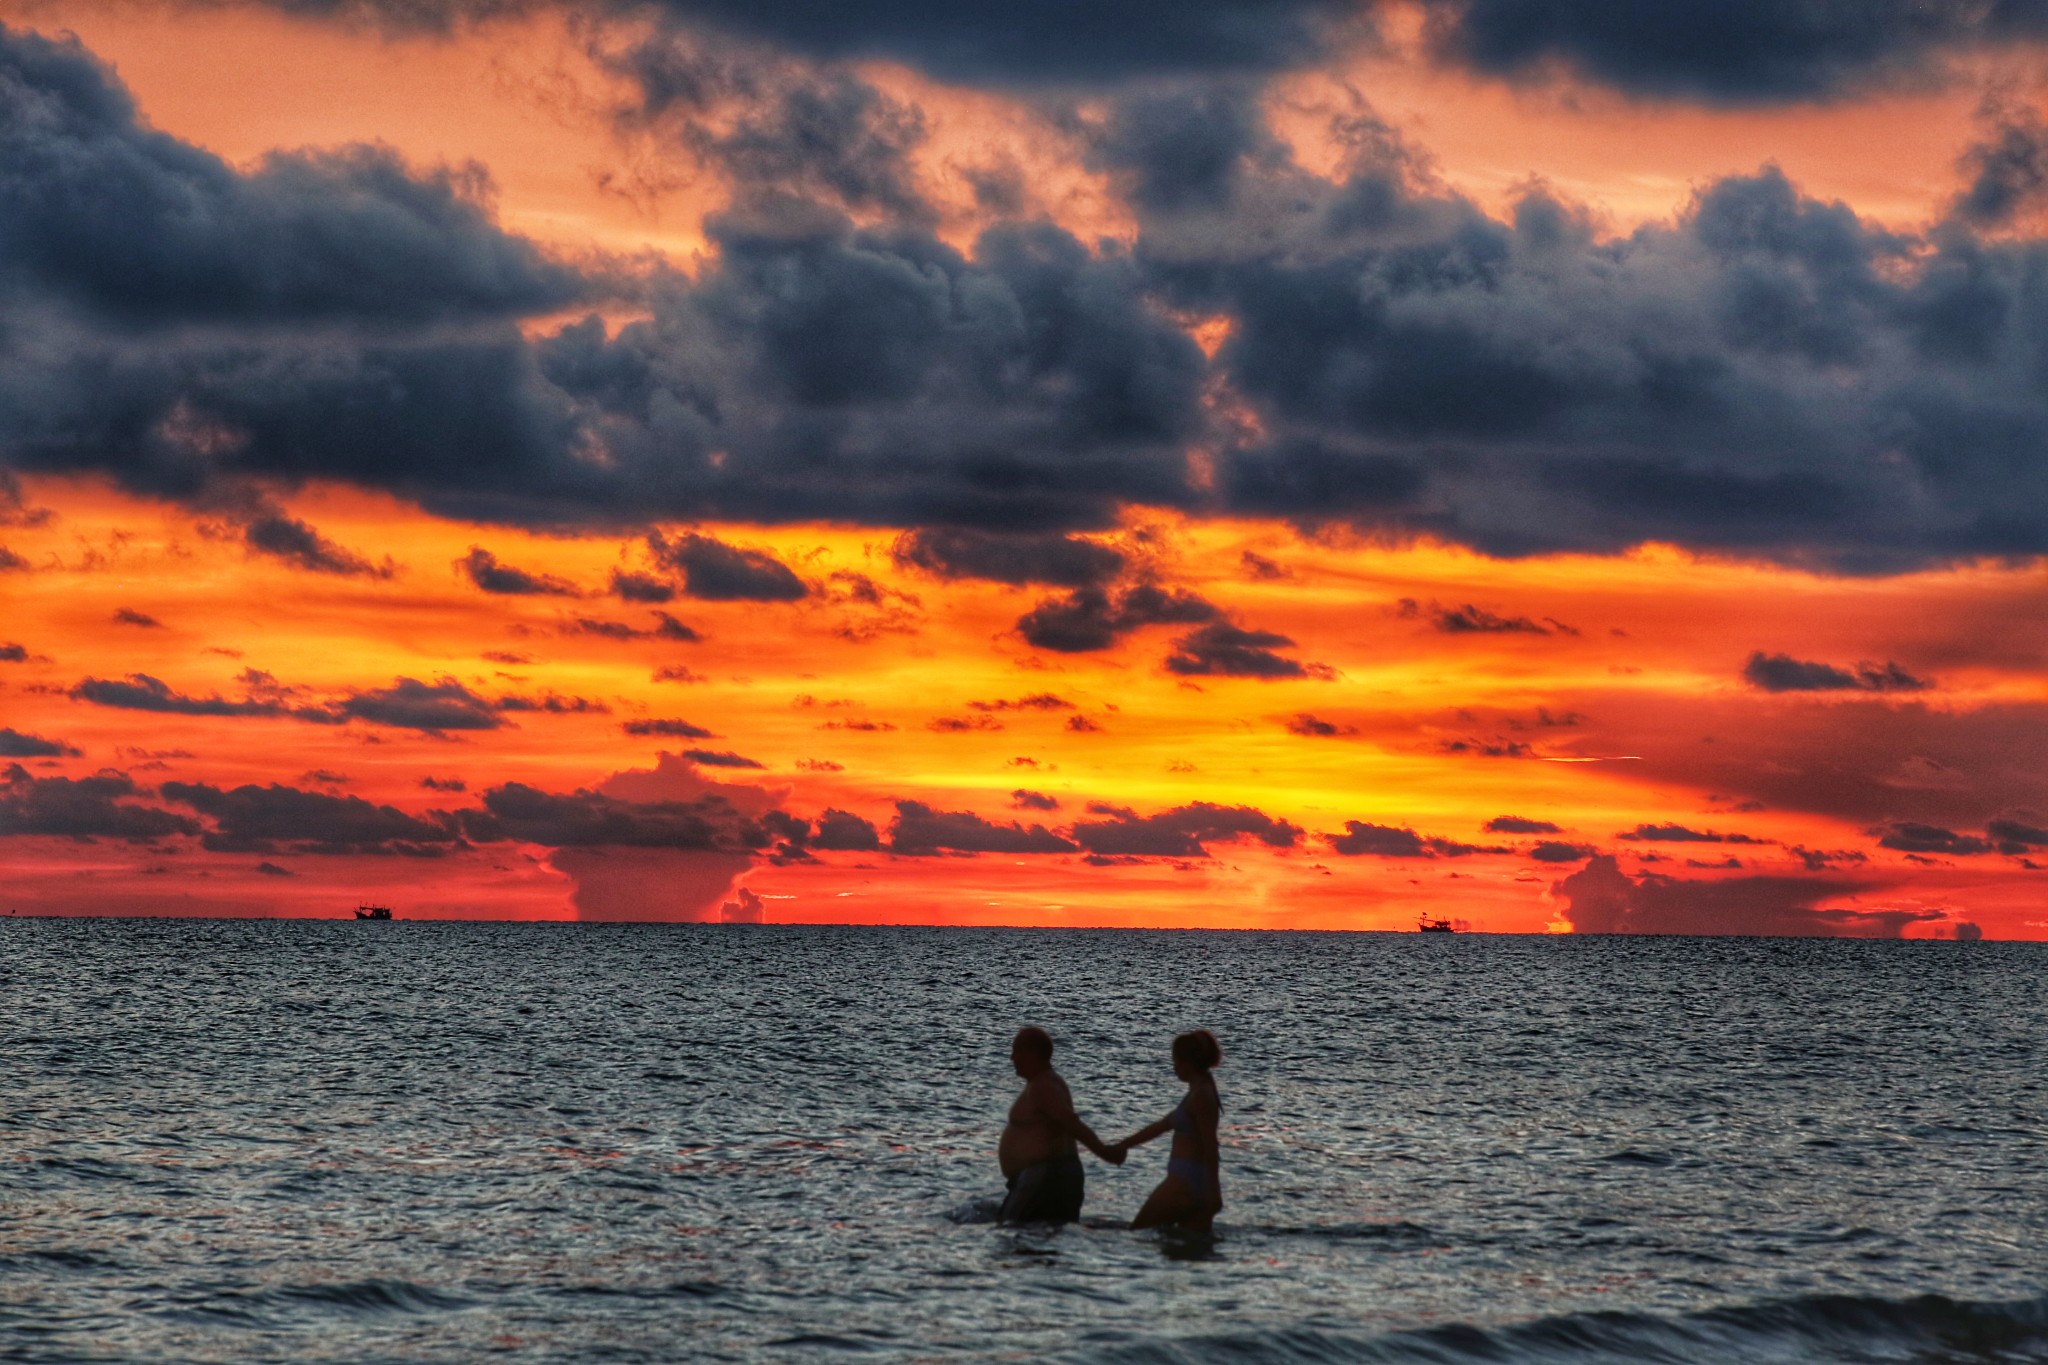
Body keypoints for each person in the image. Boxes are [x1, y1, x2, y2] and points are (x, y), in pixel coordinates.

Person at [998, 1026, 1123, 1224]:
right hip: (1055, 1174)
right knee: (1048, 1236)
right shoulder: (1047, 1083)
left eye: (1016, 1051)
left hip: (1045, 1176)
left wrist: (1105, 1152)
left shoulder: (1043, 1086)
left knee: (1009, 1226)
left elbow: (1071, 1123)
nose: (1012, 1058)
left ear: (1032, 1054)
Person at [1112, 1030, 1222, 1231]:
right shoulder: (1197, 1091)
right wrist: (1124, 1144)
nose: (1174, 1067)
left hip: (1184, 1183)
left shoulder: (1201, 1096)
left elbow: (1210, 1147)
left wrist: (1214, 1194)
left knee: (1137, 1231)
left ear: (1188, 1062)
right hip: (1192, 1183)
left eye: (1176, 1061)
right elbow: (1161, 1126)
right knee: (1188, 1250)